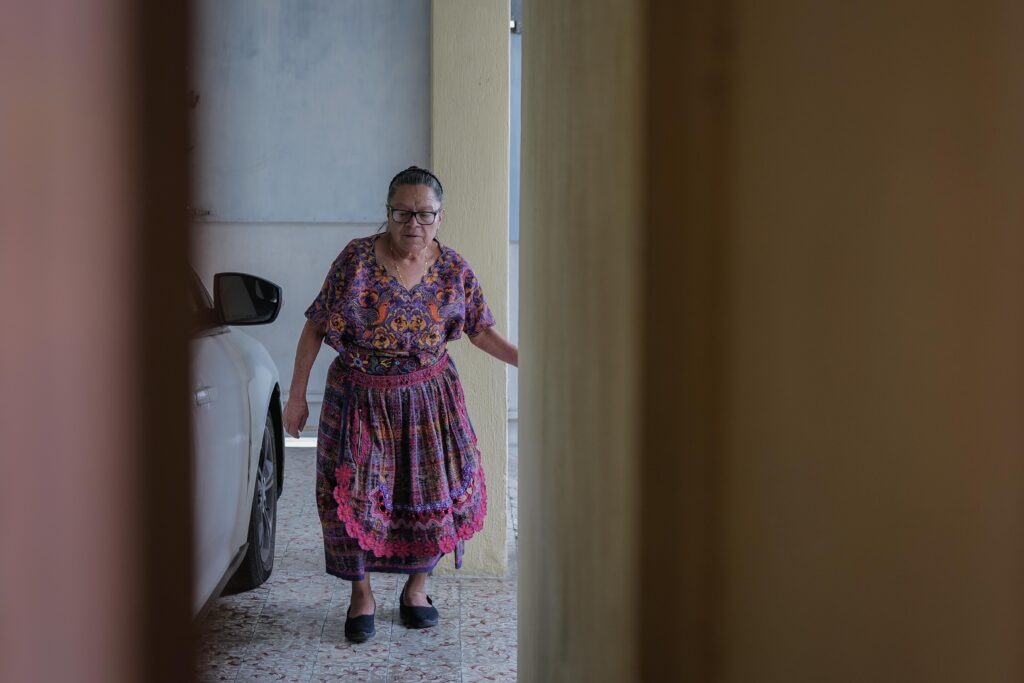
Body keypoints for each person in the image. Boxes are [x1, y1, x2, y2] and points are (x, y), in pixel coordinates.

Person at [282, 166, 518, 642]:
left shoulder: (453, 269)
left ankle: (416, 590)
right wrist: (296, 395)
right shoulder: (355, 260)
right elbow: (316, 324)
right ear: (387, 213)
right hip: (359, 399)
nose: (414, 223)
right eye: (403, 212)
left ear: (440, 216)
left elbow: (481, 331)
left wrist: (532, 362)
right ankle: (361, 596)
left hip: (429, 401)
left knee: (431, 495)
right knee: (353, 495)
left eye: (425, 214)